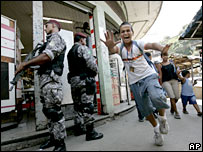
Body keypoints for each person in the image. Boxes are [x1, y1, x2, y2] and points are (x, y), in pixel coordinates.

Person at [101, 22, 170, 146]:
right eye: (123, 31)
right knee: (146, 110)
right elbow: (113, 50)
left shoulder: (138, 44)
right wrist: (109, 47)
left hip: (149, 76)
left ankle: (163, 118)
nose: (126, 33)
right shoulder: (120, 48)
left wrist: (161, 48)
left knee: (157, 97)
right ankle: (156, 130)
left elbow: (152, 44)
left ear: (132, 33)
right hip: (135, 82)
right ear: (120, 35)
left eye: (128, 30)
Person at [15, 20, 67, 151]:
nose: (45, 29)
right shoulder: (48, 42)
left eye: (47, 26)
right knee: (48, 112)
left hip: (51, 81)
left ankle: (61, 144)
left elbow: (47, 57)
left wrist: (25, 64)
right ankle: (53, 138)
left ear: (54, 26)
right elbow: (41, 61)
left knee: (55, 112)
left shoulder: (56, 38)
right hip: (45, 82)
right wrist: (28, 65)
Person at [67, 32, 103, 141]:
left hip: (74, 81)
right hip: (84, 80)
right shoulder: (83, 48)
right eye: (84, 39)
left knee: (78, 106)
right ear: (82, 40)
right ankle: (90, 132)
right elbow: (91, 64)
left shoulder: (70, 52)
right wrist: (95, 71)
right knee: (87, 105)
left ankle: (79, 128)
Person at [159, 52, 181, 119]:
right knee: (172, 96)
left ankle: (172, 108)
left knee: (177, 97)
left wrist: (178, 73)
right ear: (161, 57)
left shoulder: (172, 63)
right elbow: (160, 75)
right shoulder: (160, 65)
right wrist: (160, 84)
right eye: (163, 56)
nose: (165, 57)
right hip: (166, 82)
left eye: (166, 55)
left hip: (174, 80)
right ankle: (176, 112)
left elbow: (176, 71)